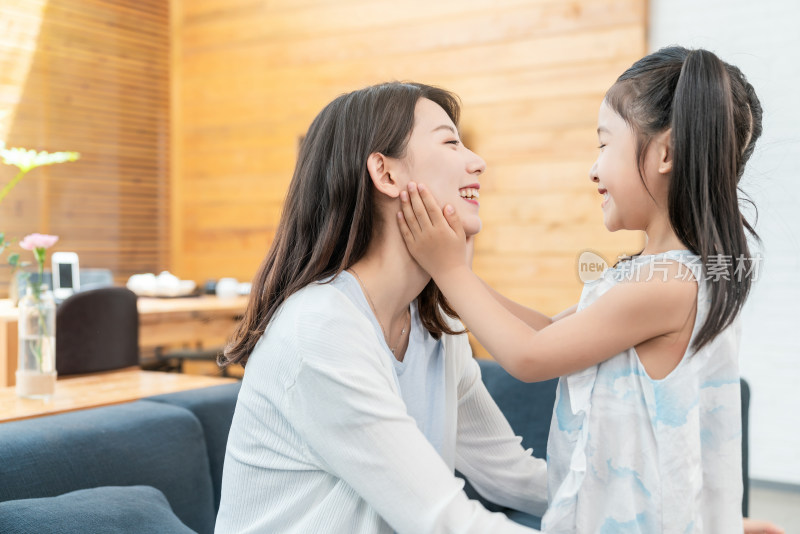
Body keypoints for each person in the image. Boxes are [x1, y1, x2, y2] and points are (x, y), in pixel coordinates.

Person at [397, 47, 784, 534]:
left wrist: (450, 272)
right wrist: (460, 278)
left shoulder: (670, 284)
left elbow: (531, 357)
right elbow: (548, 332)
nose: (593, 169)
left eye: (604, 145)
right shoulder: (652, 276)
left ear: (665, 152)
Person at [214, 82, 549, 533]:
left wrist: (642, 504)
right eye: (451, 141)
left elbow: (513, 475)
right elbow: (444, 520)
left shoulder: (436, 325)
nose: (477, 161)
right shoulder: (321, 327)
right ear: (387, 174)